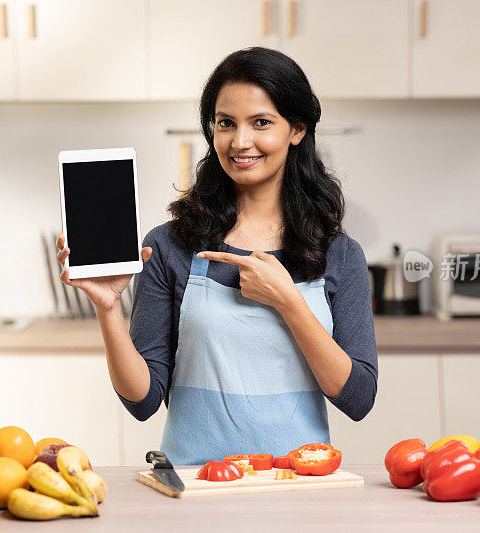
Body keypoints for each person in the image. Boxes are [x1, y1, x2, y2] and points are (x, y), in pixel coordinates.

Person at [57, 47, 378, 466]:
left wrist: (288, 301)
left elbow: (358, 398)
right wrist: (108, 309)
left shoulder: (339, 254)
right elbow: (143, 400)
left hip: (298, 487)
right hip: (194, 485)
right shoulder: (171, 245)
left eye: (260, 122)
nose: (240, 142)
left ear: (296, 129)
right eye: (226, 124)